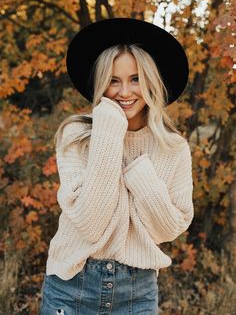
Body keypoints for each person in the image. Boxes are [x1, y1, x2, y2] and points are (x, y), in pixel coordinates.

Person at [39, 18, 194, 315]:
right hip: (72, 283)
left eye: (135, 78)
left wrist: (141, 176)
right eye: (113, 80)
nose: (125, 92)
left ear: (150, 80)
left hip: (137, 291)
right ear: (100, 83)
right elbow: (91, 223)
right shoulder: (76, 136)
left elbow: (168, 229)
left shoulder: (174, 148)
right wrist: (108, 132)